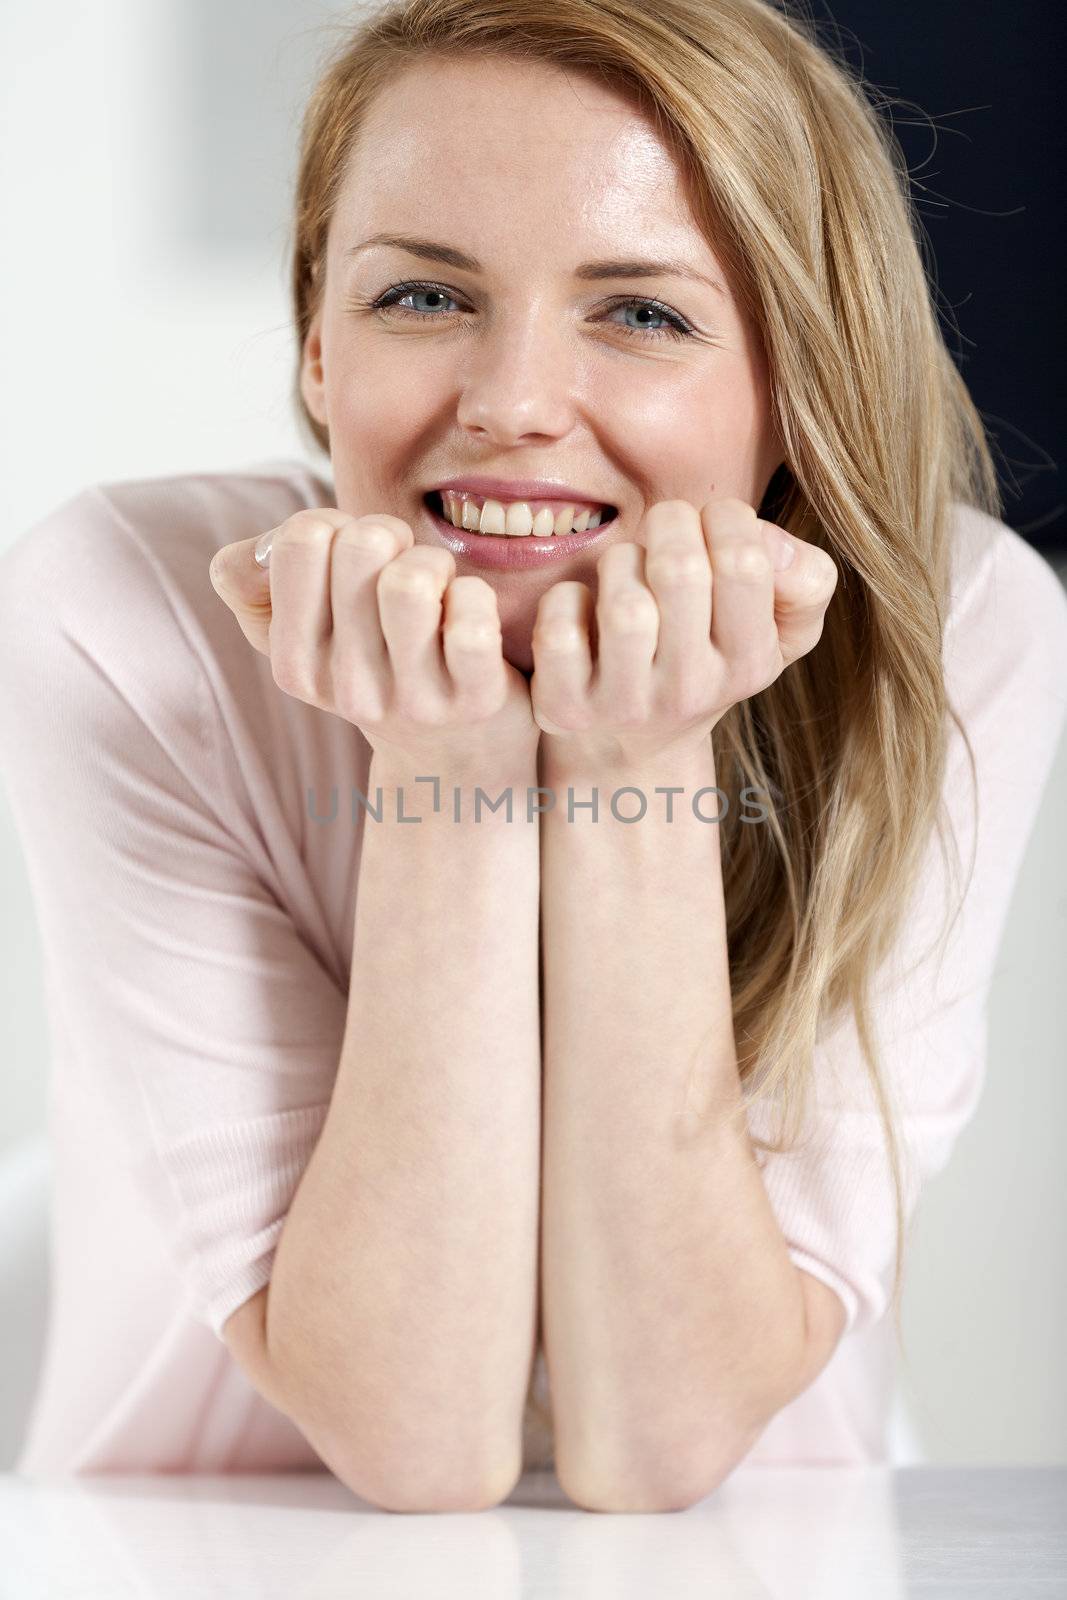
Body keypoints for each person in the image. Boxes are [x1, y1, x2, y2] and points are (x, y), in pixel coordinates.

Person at [2, 0, 1065, 1513]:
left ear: (793, 390)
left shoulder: (959, 632)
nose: (507, 403)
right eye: (426, 297)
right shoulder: (121, 610)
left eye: (641, 314)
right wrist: (454, 768)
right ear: (316, 346)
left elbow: (663, 1438)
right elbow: (414, 1442)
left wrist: (641, 754)